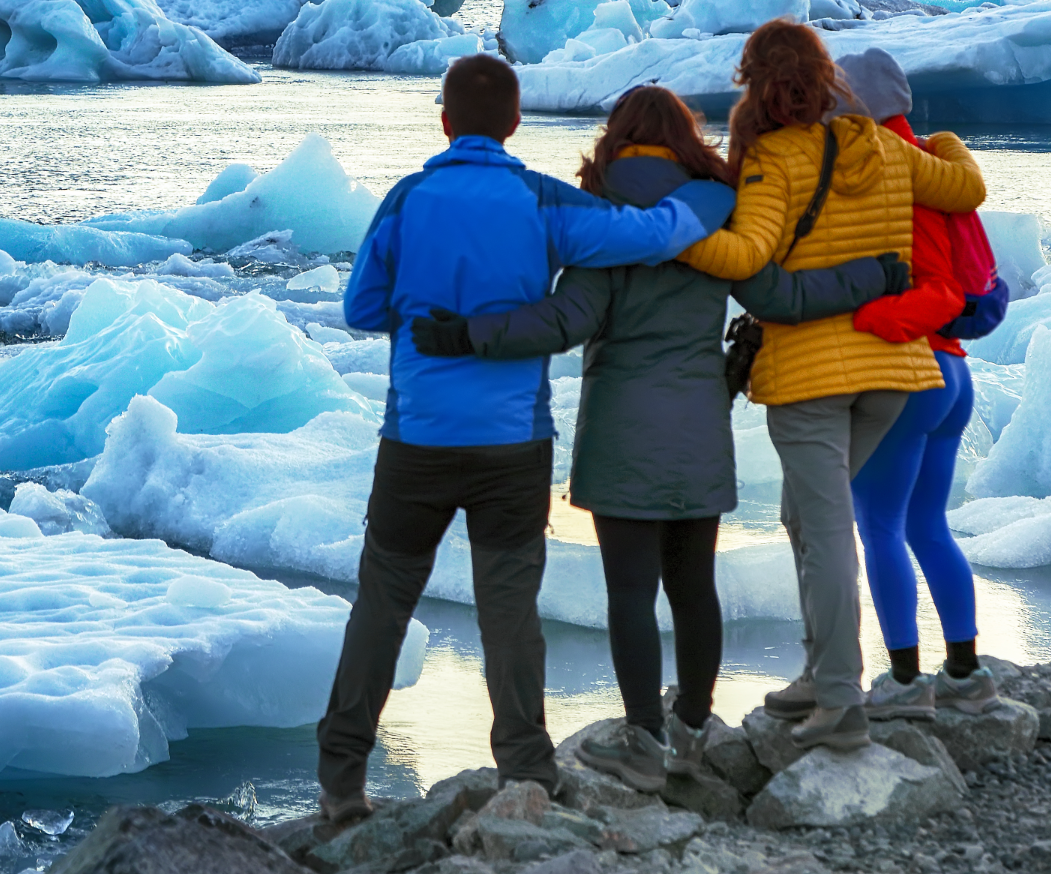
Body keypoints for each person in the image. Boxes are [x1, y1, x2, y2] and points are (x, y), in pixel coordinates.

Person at [448, 84, 908, 791]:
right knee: (694, 588)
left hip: (620, 433)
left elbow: (566, 321)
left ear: (616, 139)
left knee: (630, 592)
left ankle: (642, 738)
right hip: (699, 422)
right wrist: (873, 273)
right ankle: (691, 729)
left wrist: (474, 329)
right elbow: (785, 295)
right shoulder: (715, 220)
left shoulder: (604, 221)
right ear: (686, 139)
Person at [315, 54, 736, 823]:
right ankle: (528, 770)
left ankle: (342, 782)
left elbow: (363, 307)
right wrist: (716, 192)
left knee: (382, 604)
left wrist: (425, 309)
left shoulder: (406, 199)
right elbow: (648, 235)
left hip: (417, 439)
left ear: (444, 121)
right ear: (515, 123)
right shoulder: (541, 200)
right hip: (512, 445)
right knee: (509, 613)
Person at [675, 21, 985, 753]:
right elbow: (966, 186)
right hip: (894, 372)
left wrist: (671, 233)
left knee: (824, 530)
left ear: (757, 82)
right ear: (824, 78)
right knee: (800, 515)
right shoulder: (883, 145)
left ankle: (842, 699)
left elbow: (747, 253)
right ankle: (820, 671)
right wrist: (939, 139)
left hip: (812, 376)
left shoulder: (771, 158)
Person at [835, 49, 999, 718]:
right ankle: (965, 669)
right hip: (955, 372)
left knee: (879, 526)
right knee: (929, 524)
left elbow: (931, 288)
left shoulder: (886, 175)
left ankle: (904, 684)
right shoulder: (939, 164)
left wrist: (862, 315)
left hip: (911, 371)